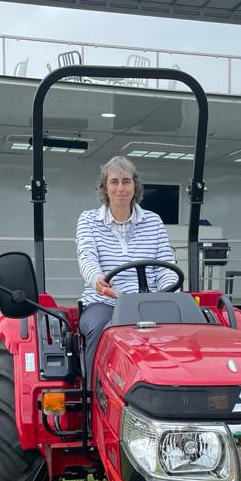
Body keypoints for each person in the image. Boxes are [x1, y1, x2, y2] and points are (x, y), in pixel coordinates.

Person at [76, 156, 176, 382]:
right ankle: (94, 391)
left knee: (178, 327)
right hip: (104, 301)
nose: (120, 187)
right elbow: (87, 256)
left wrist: (168, 292)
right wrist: (97, 280)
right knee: (101, 327)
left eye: (126, 181)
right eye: (114, 182)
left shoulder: (153, 221)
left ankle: (167, 386)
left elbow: (165, 264)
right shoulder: (89, 220)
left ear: (135, 186)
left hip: (147, 301)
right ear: (105, 187)